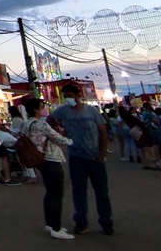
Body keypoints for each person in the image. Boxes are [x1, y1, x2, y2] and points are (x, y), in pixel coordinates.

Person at [52, 84, 113, 236]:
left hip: (95, 157)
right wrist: (60, 132)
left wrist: (101, 153)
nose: (68, 98)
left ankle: (106, 223)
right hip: (76, 157)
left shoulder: (91, 111)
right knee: (79, 192)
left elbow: (102, 132)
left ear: (78, 95)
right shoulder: (62, 111)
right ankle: (81, 222)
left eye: (70, 95)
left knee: (102, 192)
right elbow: (50, 120)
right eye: (65, 96)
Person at [21, 97, 74, 240]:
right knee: (56, 193)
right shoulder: (40, 124)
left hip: (39, 160)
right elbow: (58, 138)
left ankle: (50, 224)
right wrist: (72, 141)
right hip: (50, 158)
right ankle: (56, 227)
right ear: (36, 109)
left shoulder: (27, 124)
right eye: (41, 106)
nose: (44, 108)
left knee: (50, 193)